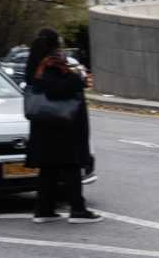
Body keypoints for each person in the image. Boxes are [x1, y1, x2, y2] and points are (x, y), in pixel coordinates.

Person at [24, 28, 102, 224]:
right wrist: (78, 79)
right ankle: (78, 210)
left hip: (44, 124)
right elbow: (57, 89)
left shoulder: (34, 62)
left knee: (48, 168)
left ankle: (44, 210)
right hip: (62, 124)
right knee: (71, 165)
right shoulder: (51, 63)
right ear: (54, 44)